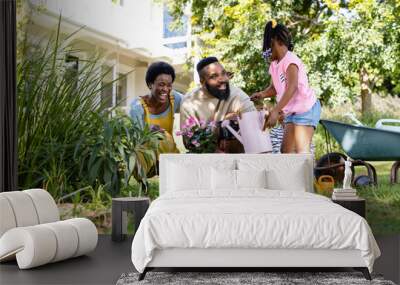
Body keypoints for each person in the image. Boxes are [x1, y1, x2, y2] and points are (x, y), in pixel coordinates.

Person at [251, 20, 321, 153]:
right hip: (292, 112)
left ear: (277, 41)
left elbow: (292, 87)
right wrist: (262, 94)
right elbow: (275, 88)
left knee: (301, 152)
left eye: (268, 46)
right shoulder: (274, 64)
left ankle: (308, 174)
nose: (267, 52)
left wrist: (276, 111)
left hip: (306, 109)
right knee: (286, 152)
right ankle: (292, 174)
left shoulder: (290, 60)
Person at [180, 57, 256, 152]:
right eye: (213, 76)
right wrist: (218, 127)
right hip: (205, 158)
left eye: (223, 73)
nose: (222, 79)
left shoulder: (237, 96)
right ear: (202, 81)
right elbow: (190, 142)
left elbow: (255, 129)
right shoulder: (189, 102)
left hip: (239, 154)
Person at [129, 61, 182, 154]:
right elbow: (136, 140)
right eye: (161, 84)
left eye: (169, 85)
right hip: (147, 160)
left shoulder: (174, 98)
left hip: (171, 157)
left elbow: (192, 102)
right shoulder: (138, 107)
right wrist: (148, 132)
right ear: (150, 84)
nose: (165, 89)